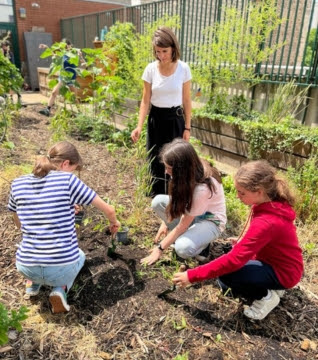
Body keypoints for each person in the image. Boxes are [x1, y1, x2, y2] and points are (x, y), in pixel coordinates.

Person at [173, 160, 304, 321]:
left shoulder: (267, 222)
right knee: (224, 283)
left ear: (259, 191)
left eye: (242, 192)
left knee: (228, 274)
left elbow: (234, 260)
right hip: (276, 263)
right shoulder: (271, 204)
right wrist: (244, 240)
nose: (237, 196)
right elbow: (269, 240)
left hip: (284, 273)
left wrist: (192, 275)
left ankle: (267, 297)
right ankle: (270, 285)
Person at [8, 141, 120, 313]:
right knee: (80, 256)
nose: (73, 172)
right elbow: (108, 209)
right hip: (59, 267)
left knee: (37, 257)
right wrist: (114, 223)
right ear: (65, 163)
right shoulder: (67, 179)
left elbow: (19, 224)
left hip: (25, 265)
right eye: (73, 168)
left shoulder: (17, 183)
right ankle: (60, 290)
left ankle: (32, 284)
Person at [141, 139, 226, 266]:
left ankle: (204, 247)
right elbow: (177, 200)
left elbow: (182, 225)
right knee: (158, 202)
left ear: (182, 168)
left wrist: (159, 249)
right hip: (193, 213)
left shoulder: (202, 188)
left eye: (169, 168)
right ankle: (194, 237)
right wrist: (165, 223)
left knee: (182, 248)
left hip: (210, 220)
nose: (166, 171)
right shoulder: (187, 171)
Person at [131, 26, 192, 196]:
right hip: (156, 119)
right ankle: (157, 195)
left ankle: (176, 194)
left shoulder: (183, 69)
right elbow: (145, 100)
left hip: (175, 119)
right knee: (155, 158)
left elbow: (187, 100)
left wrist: (187, 127)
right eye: (158, 52)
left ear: (173, 48)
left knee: (177, 158)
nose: (161, 56)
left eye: (165, 51)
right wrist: (139, 126)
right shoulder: (150, 69)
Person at [39, 39, 82, 116]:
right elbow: (54, 55)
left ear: (69, 45)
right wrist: (46, 47)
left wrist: (80, 56)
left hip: (71, 78)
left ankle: (80, 113)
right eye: (63, 46)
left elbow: (82, 61)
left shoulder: (74, 53)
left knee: (74, 97)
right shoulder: (63, 54)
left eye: (66, 45)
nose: (65, 47)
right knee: (54, 92)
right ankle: (47, 109)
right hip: (63, 77)